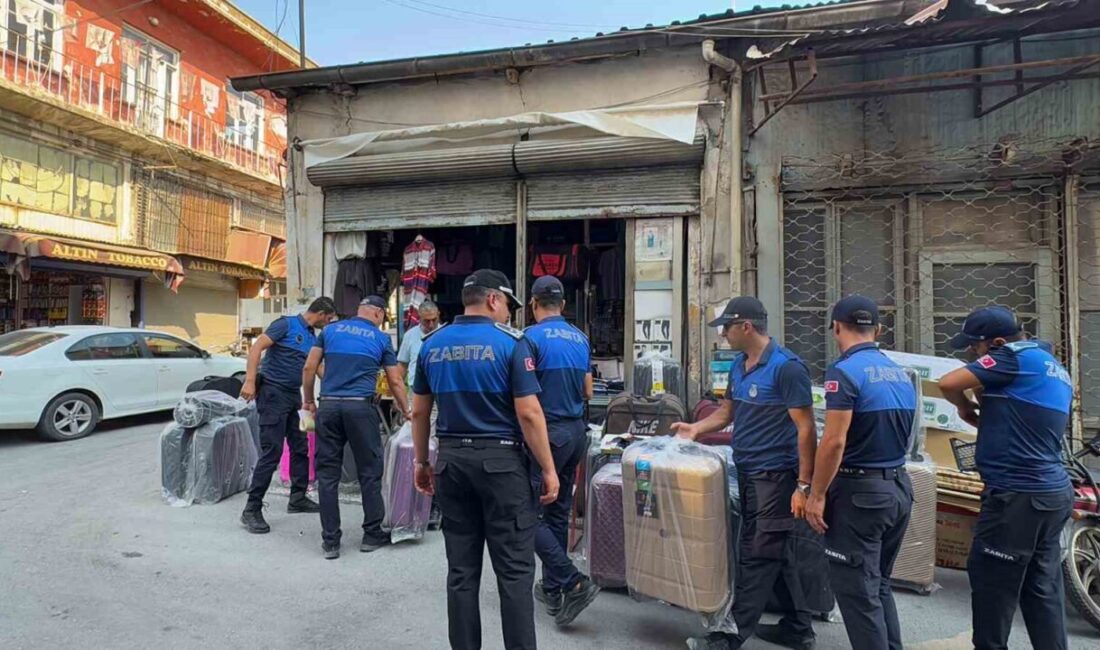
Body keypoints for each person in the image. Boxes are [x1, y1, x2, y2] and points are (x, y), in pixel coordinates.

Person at [409, 269, 559, 650]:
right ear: (494, 299)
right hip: (502, 465)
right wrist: (548, 468)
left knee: (461, 572)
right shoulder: (511, 344)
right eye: (508, 305)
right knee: (514, 574)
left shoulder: (432, 344)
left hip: (452, 463)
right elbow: (529, 413)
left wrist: (422, 463)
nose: (509, 313)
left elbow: (420, 412)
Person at [673, 296, 818, 650]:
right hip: (749, 472)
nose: (723, 335)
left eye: (726, 327)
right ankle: (799, 628)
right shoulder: (739, 365)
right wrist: (695, 429)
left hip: (776, 477)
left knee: (757, 552)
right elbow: (727, 413)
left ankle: (729, 636)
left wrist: (804, 485)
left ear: (746, 326)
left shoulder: (787, 368)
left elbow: (806, 429)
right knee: (776, 549)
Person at [938, 307, 1074, 650]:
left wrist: (964, 408)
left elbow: (948, 383)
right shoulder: (1052, 365)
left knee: (992, 586)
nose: (973, 353)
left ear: (997, 342)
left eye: (975, 347)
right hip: (1051, 493)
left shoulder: (1013, 356)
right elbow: (1014, 407)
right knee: (1041, 588)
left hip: (1017, 496)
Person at [804, 295, 915, 650]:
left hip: (861, 495)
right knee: (878, 584)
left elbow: (834, 441)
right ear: (878, 330)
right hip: (898, 487)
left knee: (857, 593)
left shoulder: (844, 373)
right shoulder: (900, 373)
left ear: (836, 327)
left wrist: (816, 494)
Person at [302, 295, 411, 560]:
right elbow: (395, 380)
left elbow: (309, 367)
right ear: (378, 314)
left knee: (327, 475)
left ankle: (330, 542)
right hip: (360, 410)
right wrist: (406, 409)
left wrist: (308, 400)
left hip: (328, 407)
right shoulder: (381, 339)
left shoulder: (329, 331)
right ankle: (371, 535)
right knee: (369, 472)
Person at [524, 276, 600, 626]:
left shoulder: (529, 338)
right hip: (575, 434)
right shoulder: (581, 338)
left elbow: (523, 397)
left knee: (525, 515)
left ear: (533, 304)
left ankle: (573, 580)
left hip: (545, 434)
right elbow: (588, 391)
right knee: (557, 512)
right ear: (564, 306)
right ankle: (552, 588)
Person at [239, 297, 337, 534]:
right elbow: (256, 348)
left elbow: (319, 369)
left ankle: (298, 497)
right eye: (330, 318)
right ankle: (251, 509)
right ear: (322, 313)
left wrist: (339, 387)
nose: (330, 322)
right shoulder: (286, 324)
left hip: (296, 397)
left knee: (302, 446)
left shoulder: (314, 337)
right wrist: (250, 381)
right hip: (272, 394)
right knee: (272, 452)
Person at [396, 300, 441, 390]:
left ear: (438, 315)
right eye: (427, 321)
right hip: (416, 388)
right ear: (419, 318)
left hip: (439, 388)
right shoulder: (410, 335)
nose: (431, 325)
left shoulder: (446, 333)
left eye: (434, 320)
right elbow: (402, 365)